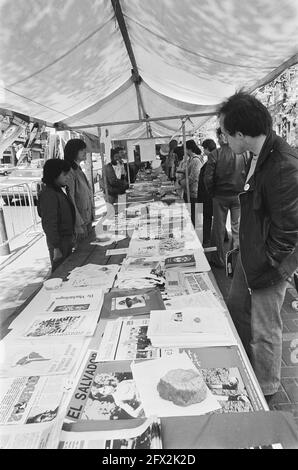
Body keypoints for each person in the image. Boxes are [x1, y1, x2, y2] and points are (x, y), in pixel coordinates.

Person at [219, 91, 298, 401]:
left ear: (240, 133)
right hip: (252, 254)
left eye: (224, 133)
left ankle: (266, 387)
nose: (224, 140)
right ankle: (245, 369)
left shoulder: (282, 164)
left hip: (269, 262)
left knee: (265, 326)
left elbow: (290, 229)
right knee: (237, 305)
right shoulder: (257, 155)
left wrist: (267, 263)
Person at [204, 128, 250, 268]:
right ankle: (236, 260)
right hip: (238, 195)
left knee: (218, 228)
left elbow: (208, 178)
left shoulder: (215, 154)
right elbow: (249, 174)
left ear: (220, 137)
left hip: (220, 195)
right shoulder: (244, 153)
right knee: (237, 228)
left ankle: (218, 259)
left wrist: (212, 192)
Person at [38, 159, 75, 273]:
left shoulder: (58, 190)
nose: (67, 177)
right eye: (64, 174)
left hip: (66, 239)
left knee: (68, 270)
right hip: (59, 242)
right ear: (54, 174)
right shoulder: (49, 194)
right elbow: (49, 223)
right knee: (60, 272)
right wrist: (56, 247)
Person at [64, 138, 94, 240]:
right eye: (81, 150)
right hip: (81, 221)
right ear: (73, 151)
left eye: (84, 149)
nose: (85, 152)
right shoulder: (69, 172)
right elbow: (71, 198)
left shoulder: (78, 169)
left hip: (87, 216)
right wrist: (78, 223)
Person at [179, 140, 204, 226]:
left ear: (189, 149)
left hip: (194, 193)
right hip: (188, 191)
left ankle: (199, 236)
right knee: (191, 215)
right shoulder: (190, 159)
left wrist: (181, 183)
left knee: (196, 217)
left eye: (185, 149)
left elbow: (193, 177)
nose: (184, 151)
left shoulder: (196, 160)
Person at [200, 139, 217, 245]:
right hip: (212, 193)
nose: (203, 151)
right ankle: (223, 236)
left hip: (208, 193)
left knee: (207, 217)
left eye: (204, 148)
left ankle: (206, 238)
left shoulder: (212, 159)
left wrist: (209, 191)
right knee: (216, 216)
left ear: (207, 148)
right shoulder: (216, 157)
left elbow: (208, 178)